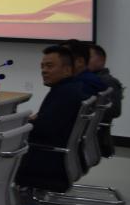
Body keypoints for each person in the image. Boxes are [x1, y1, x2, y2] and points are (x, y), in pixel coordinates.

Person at [15, 45, 87, 186]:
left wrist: (20, 124)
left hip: (47, 159)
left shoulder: (65, 94)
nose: (44, 71)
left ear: (67, 70)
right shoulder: (71, 88)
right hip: (61, 156)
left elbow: (43, 130)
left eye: (49, 66)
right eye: (42, 66)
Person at [88, 43, 123, 121]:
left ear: (101, 60)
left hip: (96, 127)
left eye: (89, 57)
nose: (85, 60)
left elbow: (115, 111)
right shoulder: (85, 79)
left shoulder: (109, 81)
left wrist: (88, 108)